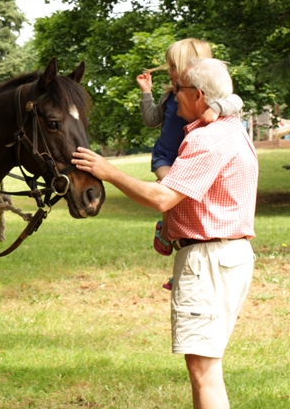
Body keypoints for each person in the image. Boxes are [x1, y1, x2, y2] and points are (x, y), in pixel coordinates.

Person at [73, 58, 257, 409]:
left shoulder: (207, 140)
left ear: (199, 96)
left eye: (178, 91)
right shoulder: (234, 129)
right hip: (223, 256)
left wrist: (108, 171)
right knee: (208, 367)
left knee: (203, 372)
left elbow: (162, 197)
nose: (173, 97)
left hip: (210, 260)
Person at [137, 39, 243, 261]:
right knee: (168, 193)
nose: (169, 72)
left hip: (190, 159)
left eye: (173, 67)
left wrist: (216, 108)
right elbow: (151, 120)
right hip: (166, 158)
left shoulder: (210, 94)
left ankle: (179, 242)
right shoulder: (170, 96)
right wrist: (146, 92)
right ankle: (168, 233)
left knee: (185, 204)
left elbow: (235, 101)